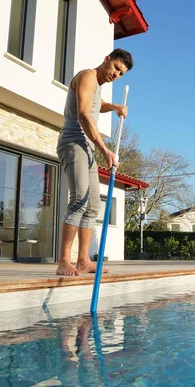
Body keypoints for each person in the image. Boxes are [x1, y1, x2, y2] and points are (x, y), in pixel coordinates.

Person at [56, 49, 133, 276]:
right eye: (116, 68)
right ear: (106, 59)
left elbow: (94, 104)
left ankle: (83, 261)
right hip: (73, 142)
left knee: (93, 207)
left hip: (86, 147)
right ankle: (63, 261)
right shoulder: (88, 76)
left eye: (121, 74)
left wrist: (114, 107)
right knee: (79, 199)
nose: (116, 75)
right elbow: (83, 114)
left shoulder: (97, 86)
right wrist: (105, 150)